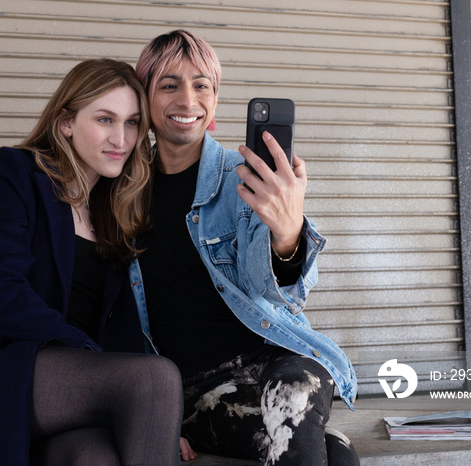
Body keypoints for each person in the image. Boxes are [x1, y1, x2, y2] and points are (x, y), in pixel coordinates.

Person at [0, 58, 183, 466]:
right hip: (0, 375)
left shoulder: (113, 211)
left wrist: (160, 420)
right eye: (105, 119)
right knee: (157, 379)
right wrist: (101, 362)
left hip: (75, 392)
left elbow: (122, 325)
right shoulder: (11, 174)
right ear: (65, 122)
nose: (121, 138)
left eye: (133, 123)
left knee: (94, 458)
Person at [131, 30, 360, 465]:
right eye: (169, 85)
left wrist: (287, 234)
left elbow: (271, 290)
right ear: (145, 98)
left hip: (276, 354)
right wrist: (148, 415)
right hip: (198, 388)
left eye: (201, 85)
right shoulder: (123, 191)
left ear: (215, 100)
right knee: (337, 453)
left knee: (294, 396)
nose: (187, 99)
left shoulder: (245, 178)